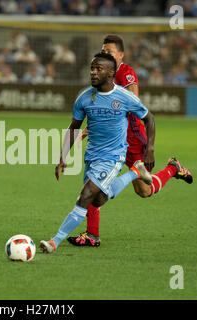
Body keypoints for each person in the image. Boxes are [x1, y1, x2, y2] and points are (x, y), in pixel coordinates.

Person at [67, 34, 193, 247]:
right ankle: (91, 235)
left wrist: (149, 148)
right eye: (103, 50)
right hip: (108, 141)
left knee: (144, 191)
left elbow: (133, 104)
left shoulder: (126, 74)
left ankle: (172, 169)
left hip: (132, 138)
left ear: (121, 55)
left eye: (109, 52)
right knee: (93, 182)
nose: (105, 54)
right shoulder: (102, 74)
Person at [39, 52, 155, 254]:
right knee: (98, 199)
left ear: (111, 72)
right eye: (92, 68)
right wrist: (62, 157)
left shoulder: (124, 97)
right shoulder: (84, 97)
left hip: (114, 156)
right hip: (92, 156)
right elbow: (74, 126)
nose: (93, 72)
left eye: (98, 69)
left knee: (85, 195)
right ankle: (136, 172)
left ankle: (54, 241)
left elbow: (149, 118)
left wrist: (150, 149)